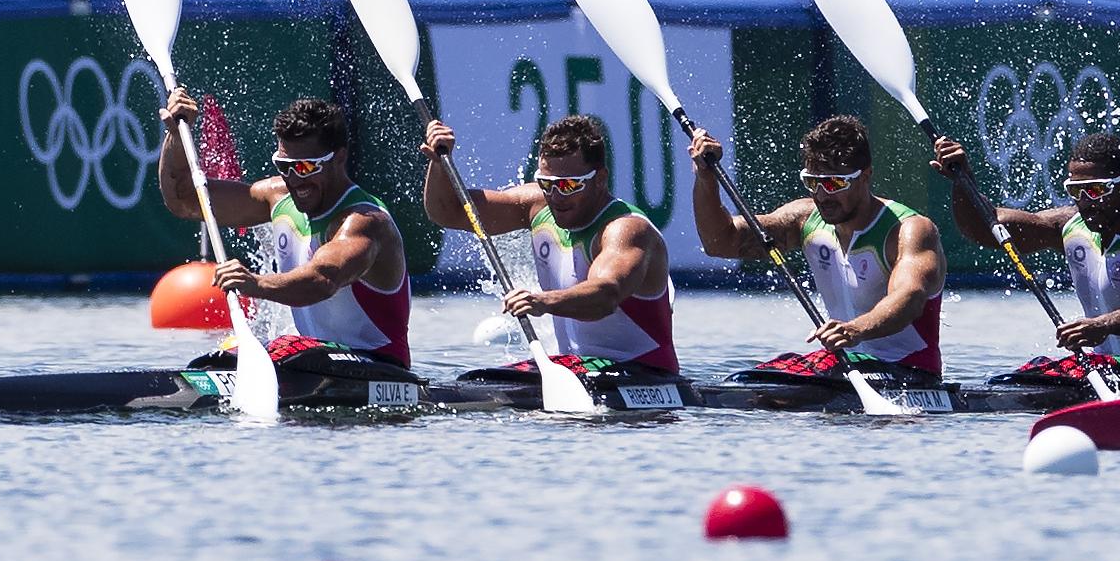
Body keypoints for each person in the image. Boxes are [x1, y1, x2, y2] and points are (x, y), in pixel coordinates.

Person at [155, 87, 413, 379]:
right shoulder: (277, 198)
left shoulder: (363, 221)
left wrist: (255, 283)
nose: (294, 179)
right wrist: (176, 134)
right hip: (313, 359)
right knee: (216, 361)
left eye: (304, 167)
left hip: (380, 366)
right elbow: (184, 199)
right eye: (284, 166)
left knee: (284, 348)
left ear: (339, 158)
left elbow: (323, 280)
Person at [927, 128, 1120, 396]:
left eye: (1096, 190)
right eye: (1076, 191)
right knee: (1020, 376)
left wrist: (1101, 326)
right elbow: (984, 227)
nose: (1085, 202)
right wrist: (962, 181)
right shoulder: (1068, 226)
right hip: (1104, 369)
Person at [688, 114, 944, 389]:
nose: (822, 195)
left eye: (834, 184)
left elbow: (910, 299)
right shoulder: (804, 219)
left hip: (908, 369)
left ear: (865, 176)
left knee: (773, 393)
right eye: (812, 182)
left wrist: (855, 329)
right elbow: (720, 243)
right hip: (845, 363)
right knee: (747, 384)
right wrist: (706, 179)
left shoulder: (909, 230)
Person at [420, 112, 681, 382]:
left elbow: (605, 296)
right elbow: (446, 212)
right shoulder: (536, 205)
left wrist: (541, 301)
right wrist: (439, 163)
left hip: (643, 372)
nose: (556, 196)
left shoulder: (625, 229)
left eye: (569, 185)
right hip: (576, 367)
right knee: (477, 380)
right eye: (547, 184)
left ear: (600, 179)